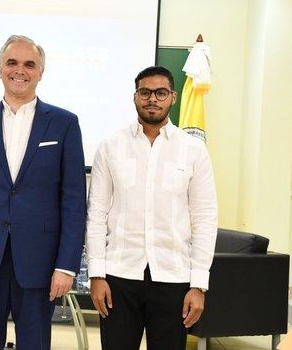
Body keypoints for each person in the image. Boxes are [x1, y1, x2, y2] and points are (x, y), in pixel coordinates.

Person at [0, 35, 87, 350]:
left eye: (29, 64)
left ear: (40, 72)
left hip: (41, 261)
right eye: (12, 62)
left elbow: (74, 202)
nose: (19, 70)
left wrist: (66, 265)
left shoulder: (64, 124)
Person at [86, 66, 218, 350]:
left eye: (160, 93)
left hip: (173, 277)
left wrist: (198, 284)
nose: (152, 99)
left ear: (172, 97)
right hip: (119, 277)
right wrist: (96, 275)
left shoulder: (193, 150)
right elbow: (96, 213)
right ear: (135, 97)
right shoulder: (110, 146)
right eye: (145, 92)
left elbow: (205, 219)